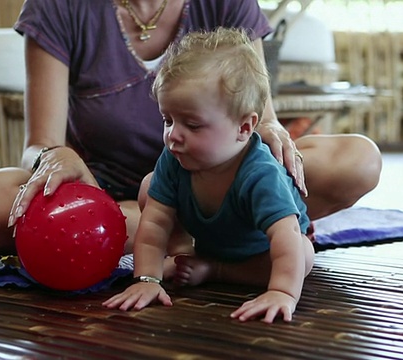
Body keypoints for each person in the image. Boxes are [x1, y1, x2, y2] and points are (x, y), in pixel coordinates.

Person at [0, 0, 381, 263]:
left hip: (222, 184)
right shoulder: (59, 6)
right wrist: (53, 155)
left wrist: (270, 132)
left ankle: (170, 232)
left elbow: (258, 117)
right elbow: (39, 143)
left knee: (357, 160)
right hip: (105, 194)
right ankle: (198, 237)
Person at [103, 27, 314, 323]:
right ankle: (183, 258)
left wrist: (282, 292)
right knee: (151, 188)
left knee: (302, 255)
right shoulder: (175, 158)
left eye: (192, 124)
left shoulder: (260, 173)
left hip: (261, 254)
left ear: (244, 128)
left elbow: (285, 236)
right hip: (210, 240)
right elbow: (154, 224)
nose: (172, 135)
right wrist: (146, 280)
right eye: (168, 120)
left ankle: (214, 269)